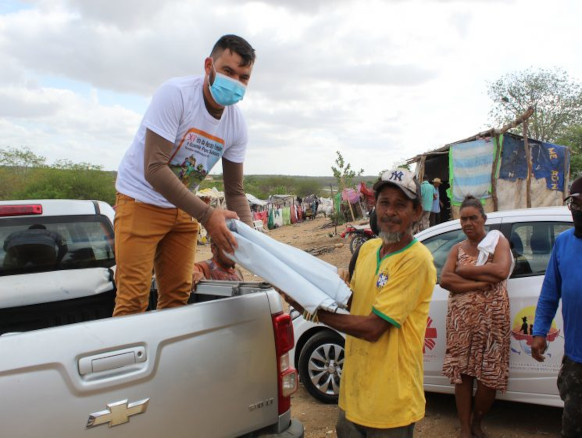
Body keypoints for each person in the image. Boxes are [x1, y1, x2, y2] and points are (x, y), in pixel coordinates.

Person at [286, 168, 436, 437]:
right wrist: (303, 299)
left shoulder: (416, 259)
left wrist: (315, 313)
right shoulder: (367, 250)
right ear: (374, 206)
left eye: (400, 204)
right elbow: (354, 304)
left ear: (416, 212)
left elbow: (373, 328)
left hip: (391, 405)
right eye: (384, 202)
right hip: (353, 397)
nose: (390, 211)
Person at [113, 34, 256, 316]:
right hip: (140, 199)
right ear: (208, 66)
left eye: (244, 77)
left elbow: (235, 192)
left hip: (182, 207)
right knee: (132, 302)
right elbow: (154, 169)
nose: (235, 82)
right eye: (228, 71)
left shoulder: (236, 123)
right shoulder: (176, 95)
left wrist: (251, 242)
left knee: (178, 298)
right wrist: (207, 216)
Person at [531, 174, 582, 438]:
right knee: (574, 428)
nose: (580, 211)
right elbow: (550, 293)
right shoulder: (563, 243)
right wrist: (539, 332)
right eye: (575, 206)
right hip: (576, 358)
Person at [439, 195, 512, 438]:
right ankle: (465, 428)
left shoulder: (497, 241)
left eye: (473, 218)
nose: (468, 223)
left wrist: (466, 271)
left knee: (489, 377)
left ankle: (477, 421)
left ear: (483, 219)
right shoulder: (456, 249)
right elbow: (446, 280)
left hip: (493, 321)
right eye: (463, 219)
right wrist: (481, 283)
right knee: (463, 374)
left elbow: (501, 270)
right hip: (461, 323)